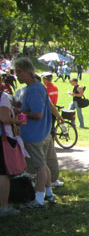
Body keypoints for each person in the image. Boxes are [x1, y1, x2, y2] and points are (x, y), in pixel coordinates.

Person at [13, 57, 53, 209]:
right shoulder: (33, 88)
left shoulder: (35, 89)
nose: (17, 75)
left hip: (35, 134)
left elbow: (37, 114)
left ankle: (39, 198)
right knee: (43, 164)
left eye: (19, 72)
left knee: (39, 167)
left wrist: (19, 111)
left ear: (28, 72)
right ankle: (49, 193)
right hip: (41, 133)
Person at [0, 91, 24, 216]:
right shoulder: (2, 97)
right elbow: (3, 118)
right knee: (3, 174)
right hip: (3, 139)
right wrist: (15, 121)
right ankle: (3, 207)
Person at [41, 72, 64, 188]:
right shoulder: (55, 87)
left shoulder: (44, 89)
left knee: (49, 132)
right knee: (51, 132)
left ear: (45, 79)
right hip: (54, 109)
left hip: (49, 112)